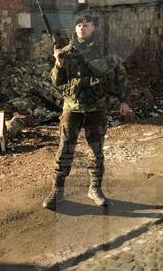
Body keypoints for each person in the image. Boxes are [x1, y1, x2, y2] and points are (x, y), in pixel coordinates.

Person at [42, 12, 132, 210]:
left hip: (96, 107)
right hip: (72, 108)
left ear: (94, 28)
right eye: (79, 25)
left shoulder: (105, 52)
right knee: (65, 149)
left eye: (86, 25)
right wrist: (59, 63)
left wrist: (124, 101)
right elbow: (56, 81)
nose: (82, 28)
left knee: (96, 150)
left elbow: (120, 77)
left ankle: (95, 188)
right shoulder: (66, 52)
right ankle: (57, 191)